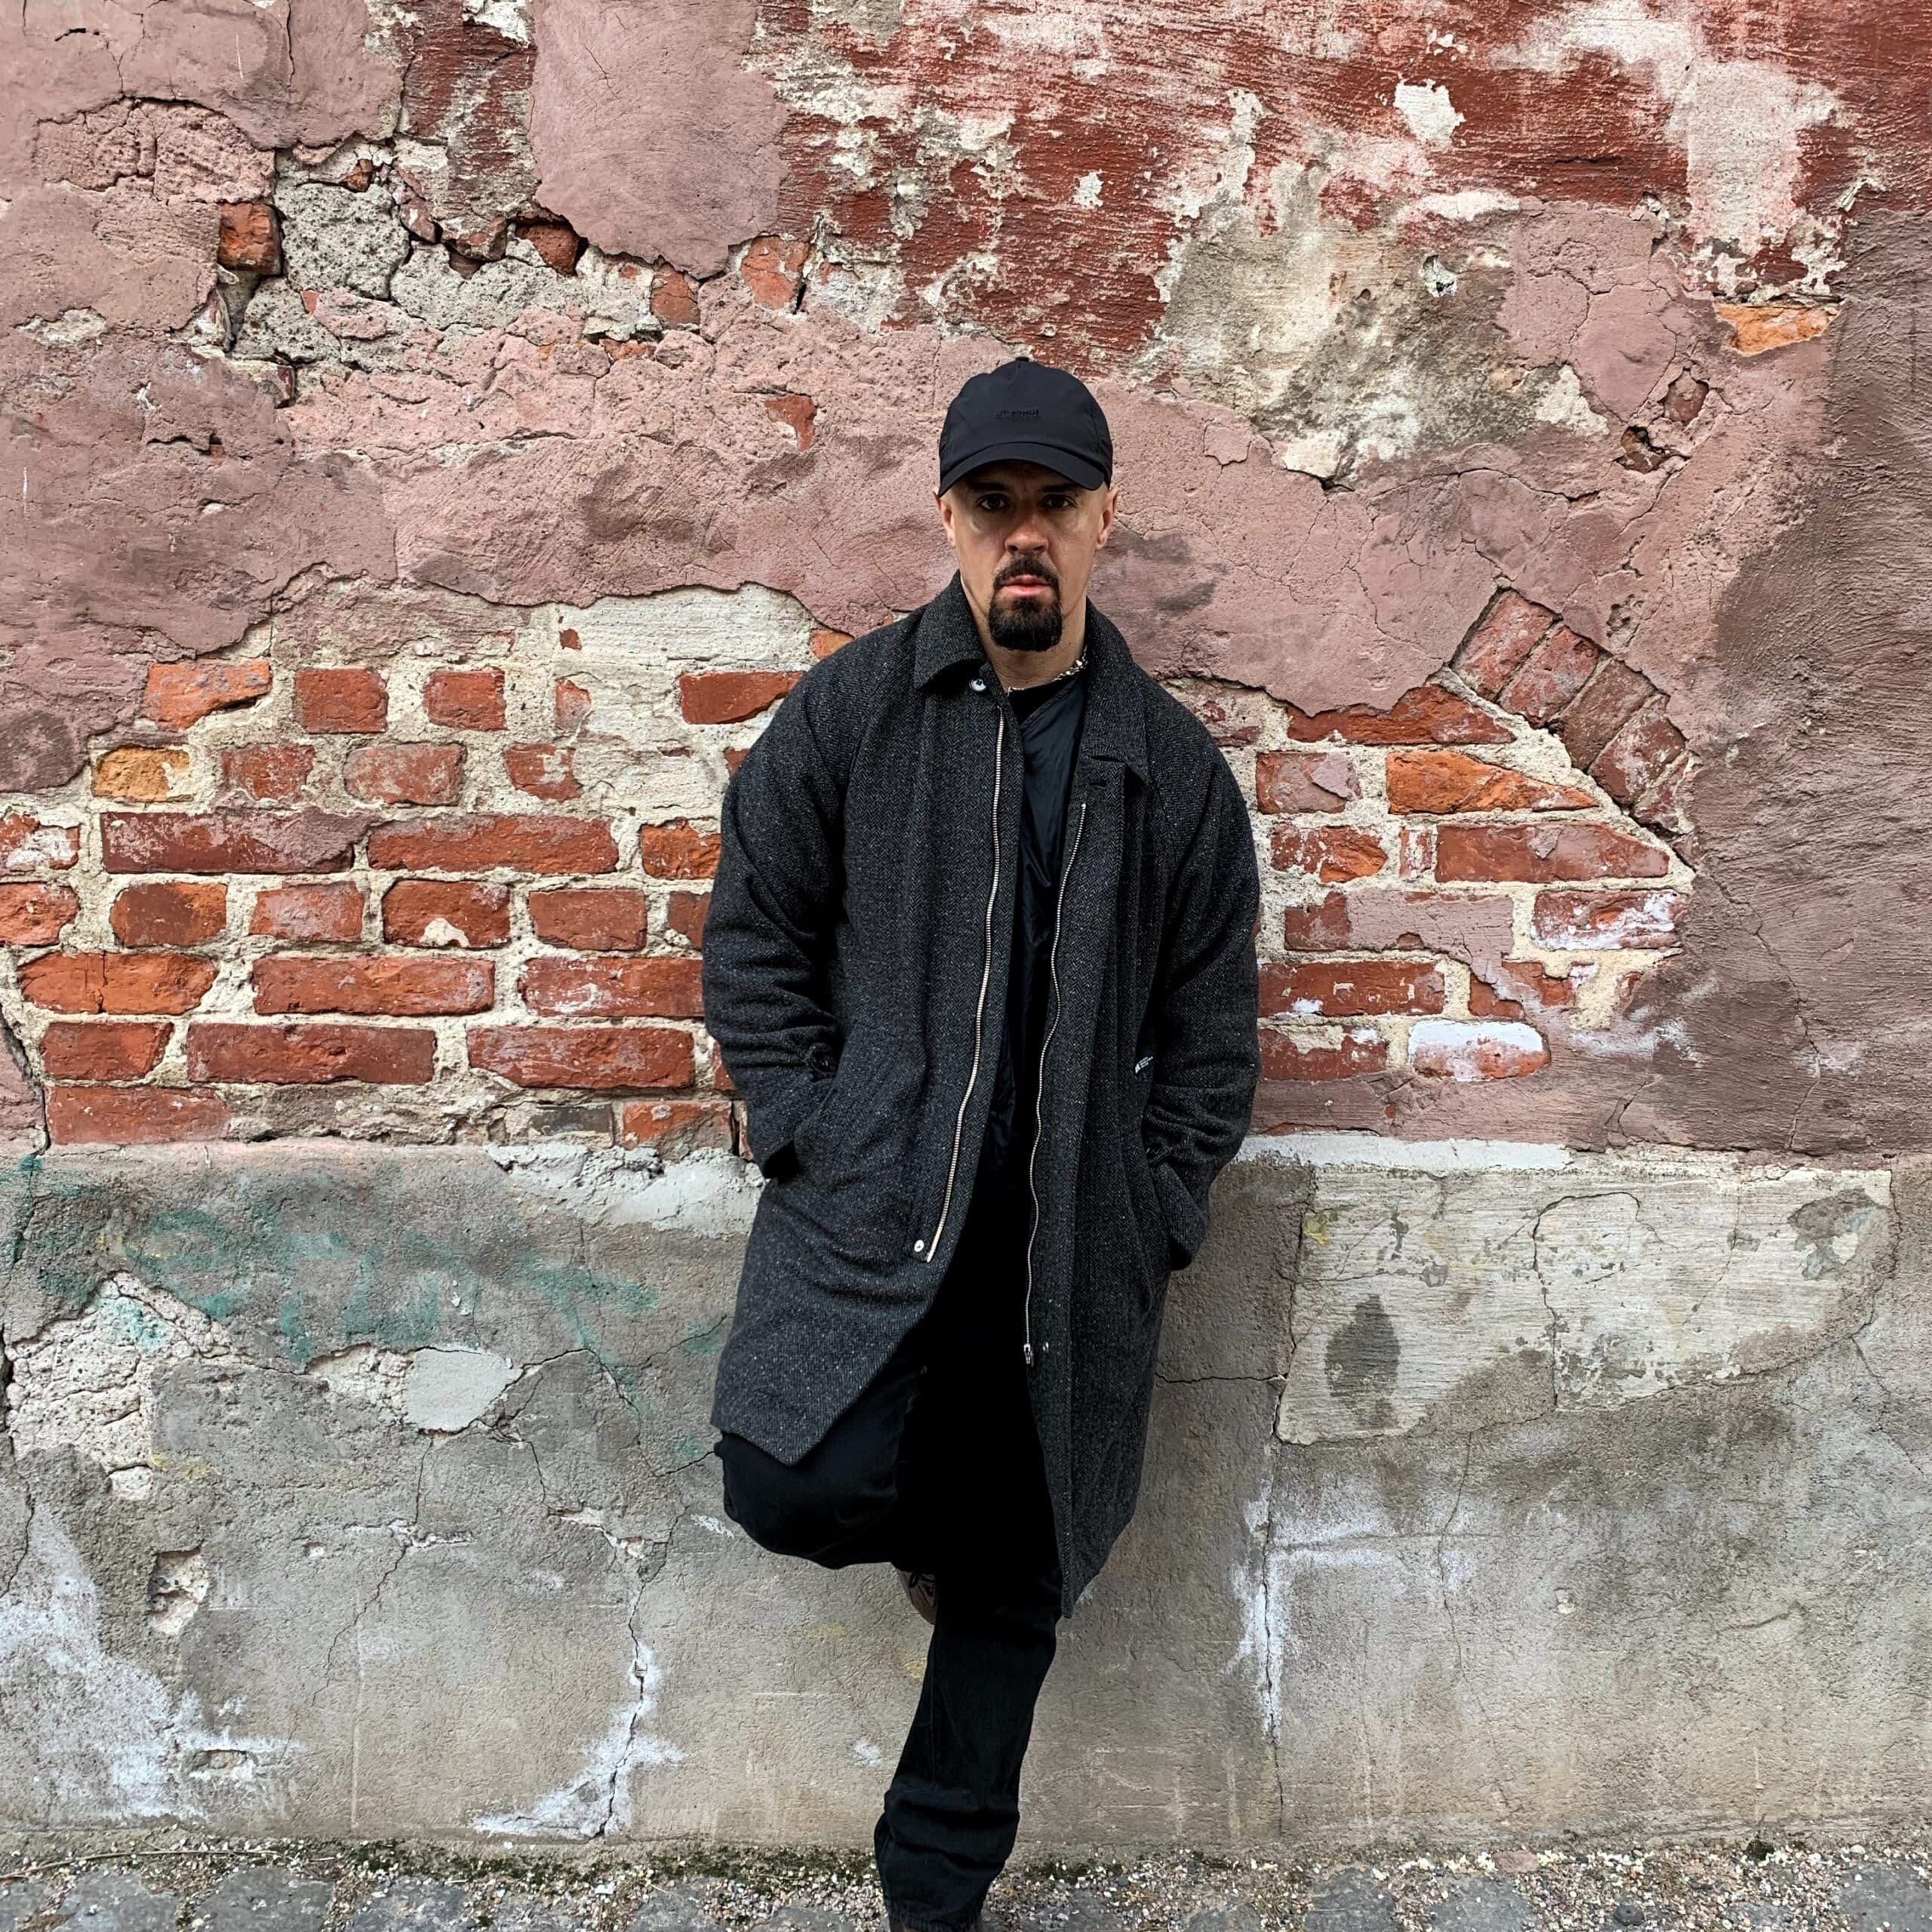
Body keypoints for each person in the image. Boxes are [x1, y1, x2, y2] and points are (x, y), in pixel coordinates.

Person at [701, 358, 1261, 1932]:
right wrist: (807, 1125)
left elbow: (1213, 1034)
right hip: (875, 1208)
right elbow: (754, 935)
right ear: (949, 516)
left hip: (1069, 1235)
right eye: (994, 502)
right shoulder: (855, 713)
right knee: (785, 1480)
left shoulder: (1167, 769)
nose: (1026, 534)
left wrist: (1154, 1205)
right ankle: (959, 1504)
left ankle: (932, 1891)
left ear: (1102, 522)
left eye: (1055, 504)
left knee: (1018, 1569)